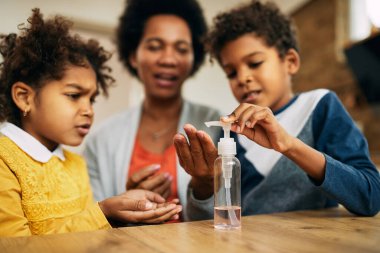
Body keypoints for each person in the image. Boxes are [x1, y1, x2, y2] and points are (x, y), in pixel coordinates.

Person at [174, 0, 380, 220]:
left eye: (254, 63)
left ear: (290, 61)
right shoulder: (231, 134)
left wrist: (288, 145)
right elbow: (209, 222)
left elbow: (370, 197)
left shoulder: (320, 106)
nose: (243, 78)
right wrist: (203, 185)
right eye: (231, 73)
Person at [0, 9, 182, 237]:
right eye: (74, 95)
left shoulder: (76, 164)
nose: (88, 110)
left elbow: (89, 235)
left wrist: (119, 215)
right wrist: (104, 213)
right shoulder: (4, 161)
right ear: (25, 97)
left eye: (92, 99)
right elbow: (14, 246)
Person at [83, 0, 220, 220]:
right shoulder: (101, 140)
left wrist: (204, 188)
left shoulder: (215, 126)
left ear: (194, 58)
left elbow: (233, 215)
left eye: (182, 49)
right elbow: (90, 220)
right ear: (133, 56)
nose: (168, 59)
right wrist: (125, 207)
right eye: (155, 46)